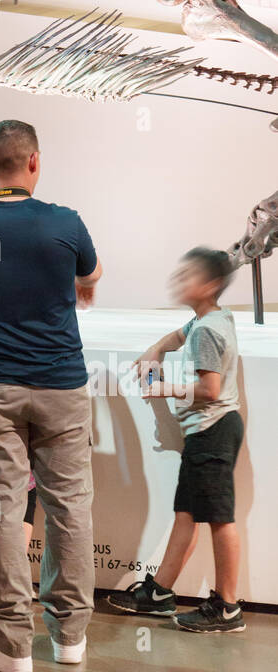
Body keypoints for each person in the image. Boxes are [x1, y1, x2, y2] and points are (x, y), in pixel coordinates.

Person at [0, 120, 102, 672]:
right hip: (62, 384)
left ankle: (11, 645)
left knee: (2, 511)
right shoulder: (66, 222)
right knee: (70, 508)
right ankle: (71, 638)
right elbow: (92, 274)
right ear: (34, 162)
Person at [109, 248, 245, 633]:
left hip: (211, 428)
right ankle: (160, 593)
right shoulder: (215, 317)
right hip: (211, 431)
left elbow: (210, 389)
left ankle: (228, 608)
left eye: (188, 276)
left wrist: (163, 387)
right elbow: (176, 336)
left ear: (211, 285)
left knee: (220, 518)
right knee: (186, 514)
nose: (178, 281)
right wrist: (155, 349)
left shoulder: (205, 331)